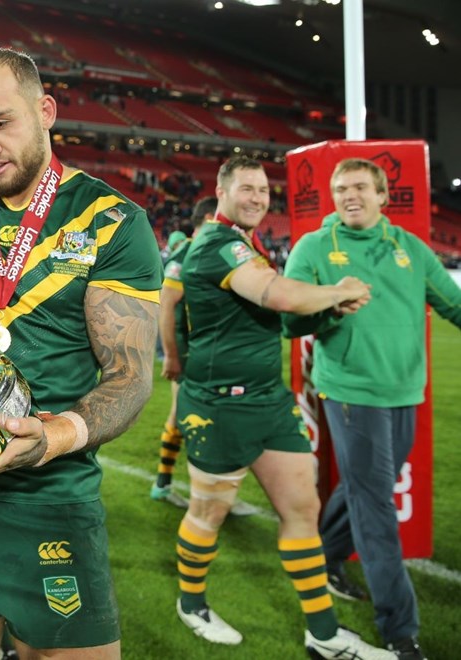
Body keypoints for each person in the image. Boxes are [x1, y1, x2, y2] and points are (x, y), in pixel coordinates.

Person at [0, 48, 162, 660]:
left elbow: (129, 376)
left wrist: (53, 436)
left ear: (45, 111)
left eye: (1, 123)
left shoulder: (110, 222)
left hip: (54, 498)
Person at [172, 156, 392, 659]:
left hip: (268, 401)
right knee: (208, 512)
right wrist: (337, 290)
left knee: (302, 508)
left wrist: (329, 309)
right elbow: (276, 295)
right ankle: (192, 604)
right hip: (219, 408)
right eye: (246, 188)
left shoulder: (245, 244)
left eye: (263, 190)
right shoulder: (217, 244)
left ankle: (324, 634)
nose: (257, 198)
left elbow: (283, 320)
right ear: (222, 192)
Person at [282, 158, 461, 660]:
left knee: (362, 489)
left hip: (403, 391)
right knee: (377, 502)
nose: (349, 195)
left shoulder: (410, 248)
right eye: (341, 188)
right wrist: (328, 306)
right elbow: (290, 322)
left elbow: (453, 304)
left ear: (383, 195)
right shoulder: (315, 247)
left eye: (360, 186)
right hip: (350, 391)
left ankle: (325, 555)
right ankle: (400, 629)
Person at [151, 196, 216, 508]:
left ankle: (177, 485)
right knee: (183, 416)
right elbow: (166, 305)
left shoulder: (211, 251)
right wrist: (173, 355)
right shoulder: (186, 253)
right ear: (210, 219)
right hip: (190, 353)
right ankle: (165, 484)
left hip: (209, 353)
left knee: (199, 417)